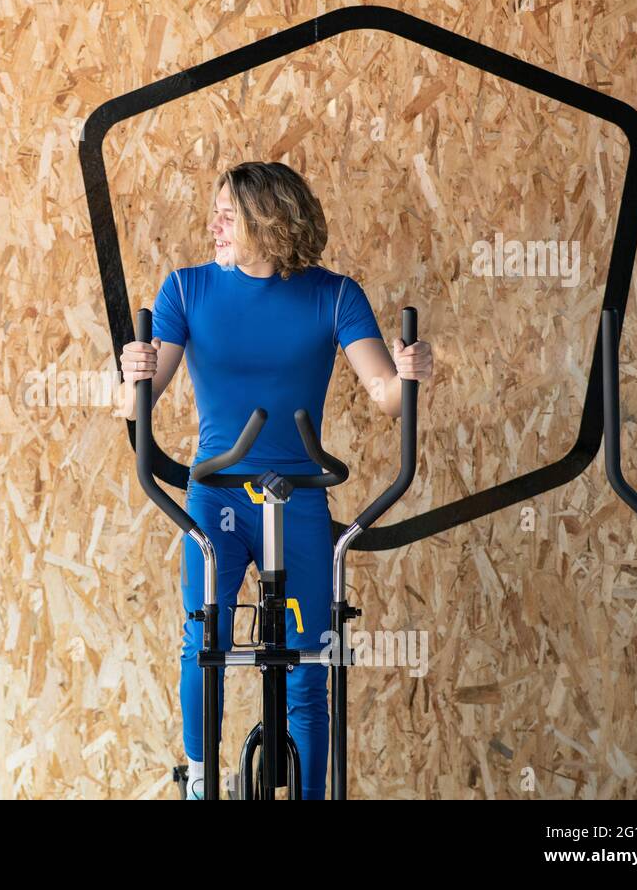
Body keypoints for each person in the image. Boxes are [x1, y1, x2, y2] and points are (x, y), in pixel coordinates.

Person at [118, 162, 433, 799]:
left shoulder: (335, 295)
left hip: (298, 502)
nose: (214, 225)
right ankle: (201, 781)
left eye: (228, 215)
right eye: (215, 212)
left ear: (269, 220)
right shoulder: (187, 290)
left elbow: (385, 395)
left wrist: (410, 371)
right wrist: (133, 375)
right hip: (218, 496)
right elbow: (137, 408)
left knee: (308, 663)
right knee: (203, 635)